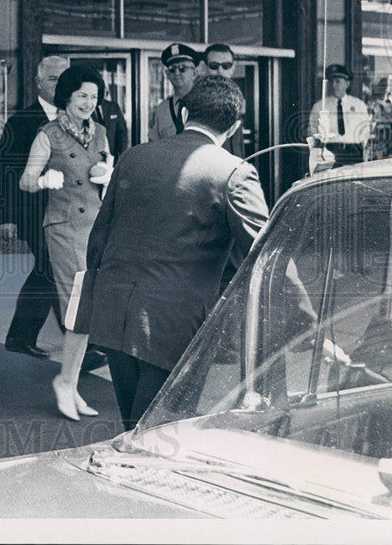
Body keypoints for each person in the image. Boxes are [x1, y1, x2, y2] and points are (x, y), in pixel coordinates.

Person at [86, 75, 269, 431]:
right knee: (161, 433)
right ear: (233, 126)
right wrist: (310, 319)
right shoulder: (234, 171)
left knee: (134, 427)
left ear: (185, 112)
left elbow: (99, 238)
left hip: (113, 312)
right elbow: (265, 251)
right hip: (172, 325)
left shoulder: (134, 156)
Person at [20, 66, 112, 421]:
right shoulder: (48, 134)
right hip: (63, 228)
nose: (89, 103)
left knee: (86, 308)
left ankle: (68, 383)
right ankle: (66, 381)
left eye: (94, 96)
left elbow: (106, 167)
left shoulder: (100, 132)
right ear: (67, 98)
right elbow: (26, 181)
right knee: (77, 305)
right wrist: (44, 180)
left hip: (95, 226)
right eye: (82, 96)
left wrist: (108, 174)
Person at [0, 55, 69, 359]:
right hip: (34, 212)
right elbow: (4, 172)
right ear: (38, 83)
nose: (59, 84)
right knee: (53, 271)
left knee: (47, 272)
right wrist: (5, 218)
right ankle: (79, 342)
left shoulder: (78, 117)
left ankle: (19, 336)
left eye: (64, 78)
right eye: (52, 79)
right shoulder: (22, 121)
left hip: (66, 212)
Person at [307, 64, 371, 167]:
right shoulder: (320, 106)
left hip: (353, 153)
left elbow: (365, 131)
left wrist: (363, 153)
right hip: (329, 153)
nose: (333, 85)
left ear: (347, 83)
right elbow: (311, 132)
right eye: (331, 82)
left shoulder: (359, 105)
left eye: (337, 82)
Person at [149, 42, 201, 140]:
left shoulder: (206, 105)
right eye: (172, 69)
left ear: (194, 73)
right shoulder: (162, 110)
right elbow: (154, 143)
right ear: (167, 74)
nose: (176, 73)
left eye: (182, 69)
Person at [203, 43, 245, 158]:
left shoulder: (235, 97)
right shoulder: (197, 100)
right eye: (214, 66)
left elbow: (238, 143)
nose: (220, 71)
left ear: (233, 67)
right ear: (205, 67)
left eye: (226, 66)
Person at [94, 77, 129, 163]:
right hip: (93, 158)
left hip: (112, 157)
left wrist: (121, 156)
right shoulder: (84, 109)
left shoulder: (113, 107)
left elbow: (122, 132)